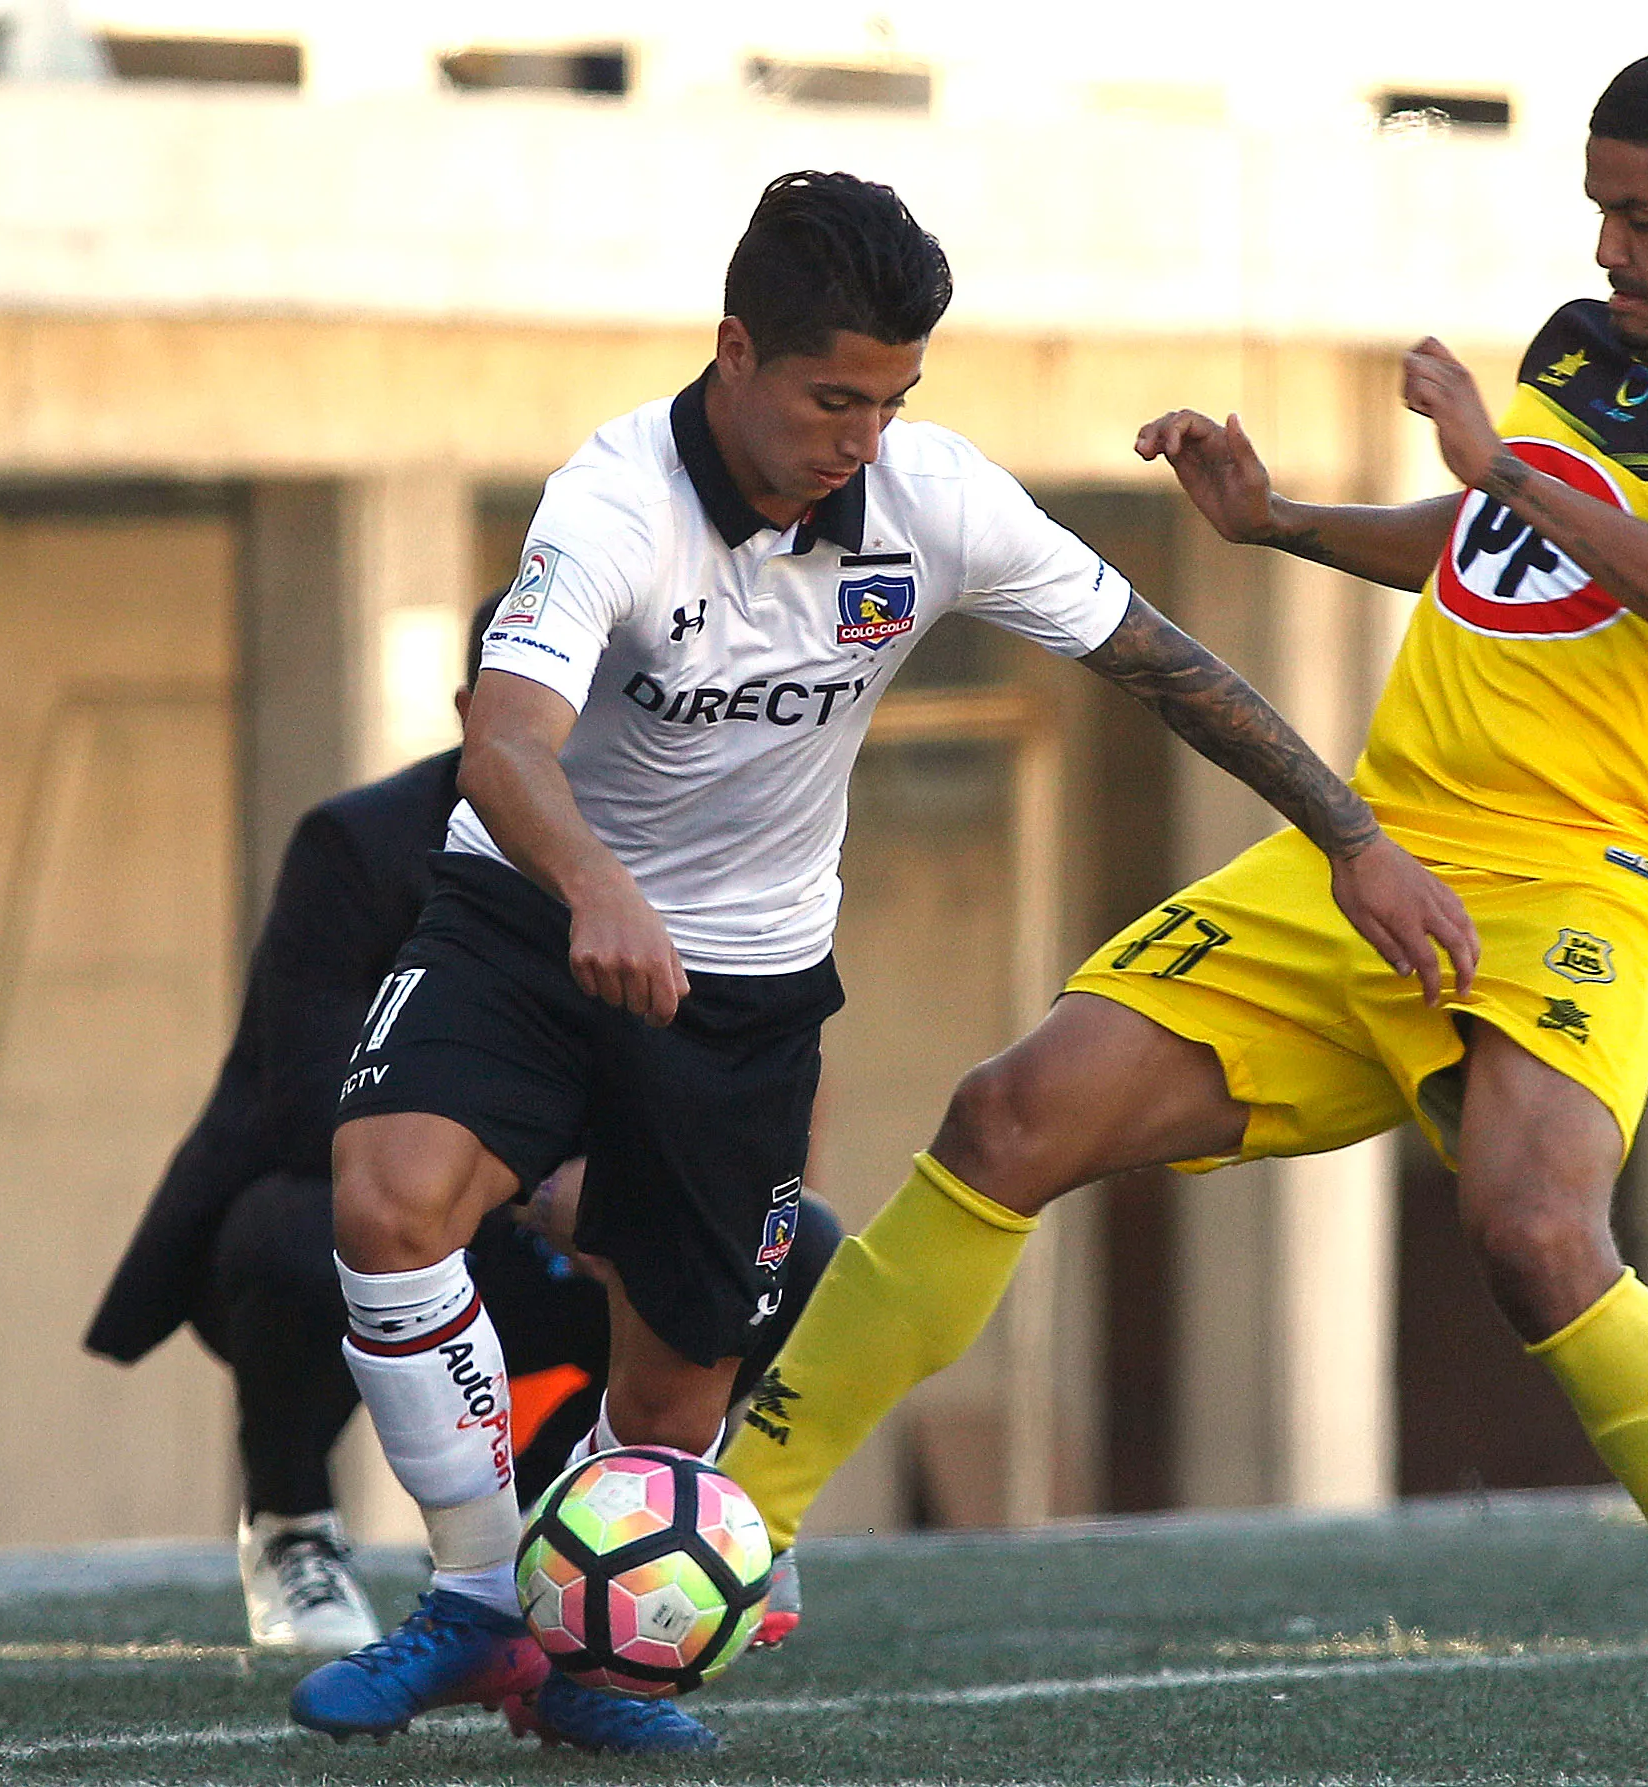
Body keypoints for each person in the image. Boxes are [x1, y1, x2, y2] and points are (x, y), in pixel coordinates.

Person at [716, 36, 1648, 1754]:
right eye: (1596, 212)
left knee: (1534, 1233)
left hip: (1587, 879)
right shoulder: (1581, 355)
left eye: (1641, 219)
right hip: (1382, 839)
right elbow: (1495, 552)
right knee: (1009, 1114)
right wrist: (1287, 524)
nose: (1607, 253)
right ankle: (736, 1526)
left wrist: (1508, 470)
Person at [291, 170, 1472, 1755]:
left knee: (672, 1400)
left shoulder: (936, 502)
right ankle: (475, 1595)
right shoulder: (612, 498)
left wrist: (1353, 837)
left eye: (893, 398)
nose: (859, 434)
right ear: (733, 352)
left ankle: (585, 1667)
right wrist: (592, 884)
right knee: (385, 1195)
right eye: (831, 395)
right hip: (528, 913)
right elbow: (502, 742)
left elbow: (1162, 665)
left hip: (752, 983)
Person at [84, 596, 842, 1653]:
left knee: (794, 1236)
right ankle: (291, 1523)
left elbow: (751, 1069)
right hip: (425, 1206)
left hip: (593, 1225)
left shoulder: (702, 838)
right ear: (476, 716)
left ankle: (634, 1500)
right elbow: (305, 1085)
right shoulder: (359, 843)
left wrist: (635, 1177)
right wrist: (530, 1181)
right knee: (289, 1230)